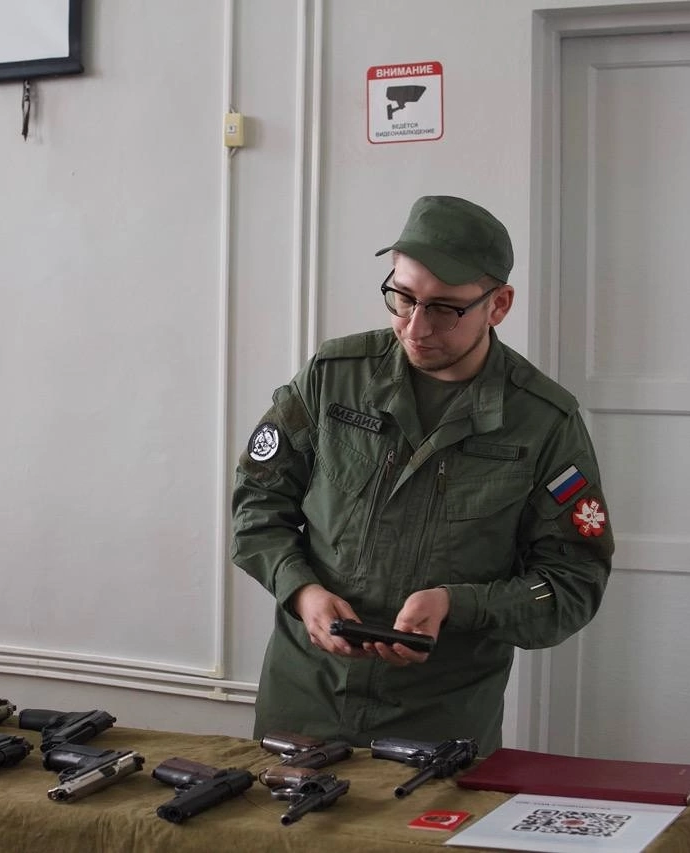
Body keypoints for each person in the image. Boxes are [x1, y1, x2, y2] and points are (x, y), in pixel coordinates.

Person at [231, 195, 613, 753]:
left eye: (444, 309)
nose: (415, 326)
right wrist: (302, 591)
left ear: (498, 305)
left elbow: (573, 582)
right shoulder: (333, 379)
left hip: (440, 722)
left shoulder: (543, 421)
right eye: (403, 297)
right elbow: (257, 508)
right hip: (304, 700)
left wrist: (456, 605)